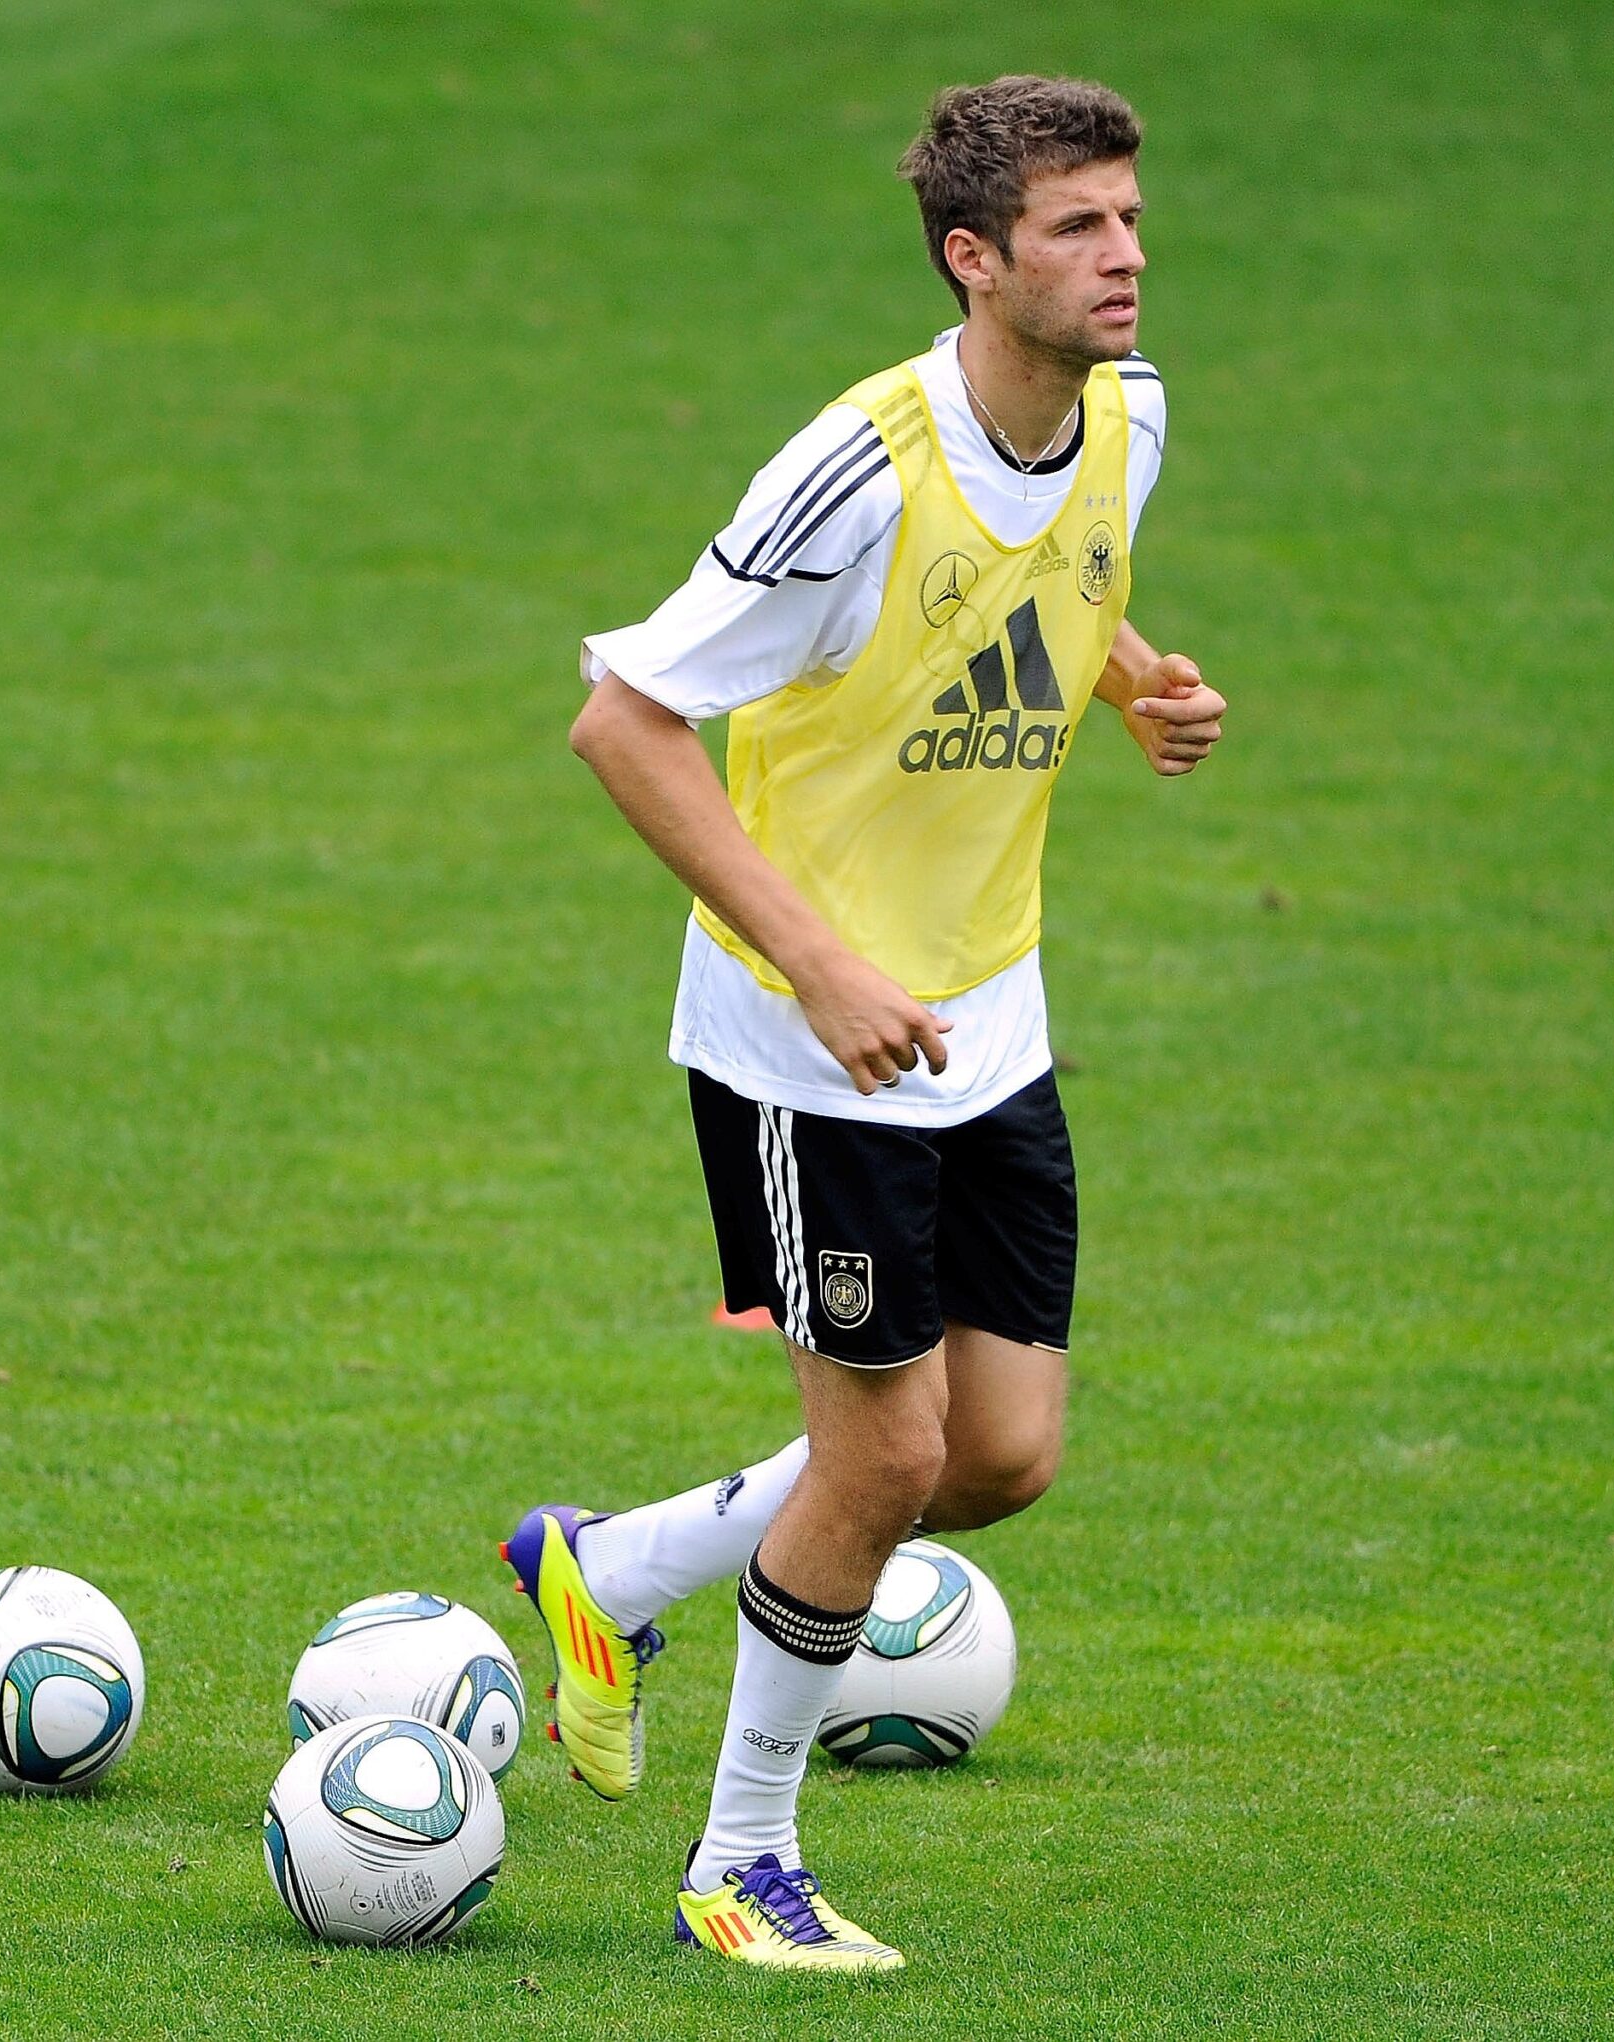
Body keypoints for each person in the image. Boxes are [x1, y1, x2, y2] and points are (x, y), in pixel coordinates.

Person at [501, 74, 1228, 1972]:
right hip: (802, 1046)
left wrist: (1137, 682)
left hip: (990, 1013)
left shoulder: (1126, 424)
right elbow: (623, 719)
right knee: (887, 1462)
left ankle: (616, 1566)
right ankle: (739, 1864)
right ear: (974, 260)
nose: (1129, 253)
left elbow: (1050, 600)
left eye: (1132, 215)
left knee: (999, 1455)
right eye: (1080, 227)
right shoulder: (850, 469)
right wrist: (818, 965)